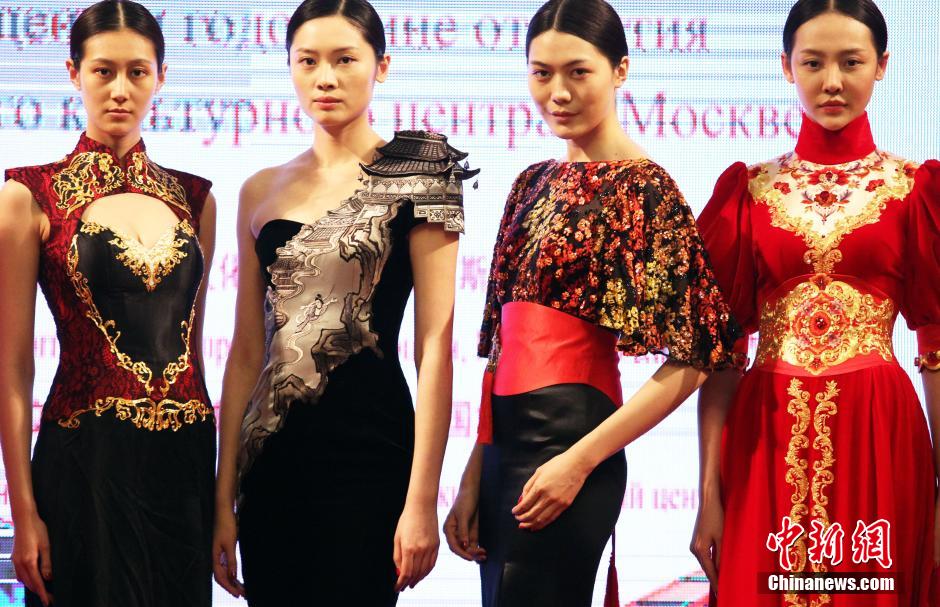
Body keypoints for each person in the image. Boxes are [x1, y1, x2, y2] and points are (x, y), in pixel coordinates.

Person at [442, 1, 740, 606]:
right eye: (541, 73)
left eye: (578, 72)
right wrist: (473, 474)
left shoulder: (645, 188)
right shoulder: (530, 183)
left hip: (574, 444)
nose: (558, 92)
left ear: (620, 70)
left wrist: (579, 462)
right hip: (503, 451)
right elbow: (502, 348)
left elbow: (699, 354)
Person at [210, 1, 474, 605]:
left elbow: (435, 346)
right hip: (272, 462)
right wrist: (223, 498)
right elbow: (246, 351)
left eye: (344, 60)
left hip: (371, 454)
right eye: (308, 61)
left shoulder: (422, 170)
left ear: (382, 66)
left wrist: (421, 500)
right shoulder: (259, 189)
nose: (325, 78)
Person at [691, 1, 940, 605]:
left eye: (851, 62)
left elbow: (937, 348)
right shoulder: (748, 190)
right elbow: (722, 356)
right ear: (787, 67)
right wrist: (709, 494)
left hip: (879, 430)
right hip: (763, 434)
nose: (832, 82)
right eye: (813, 63)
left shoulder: (914, 190)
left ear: (882, 65)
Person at [0, 2, 217, 606]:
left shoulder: (195, 199)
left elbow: (195, 349)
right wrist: (23, 511)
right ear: (74, 73)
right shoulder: (29, 195)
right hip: (84, 458)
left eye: (137, 72)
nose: (120, 89)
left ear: (161, 78)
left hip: (184, 459)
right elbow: (13, 368)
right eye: (103, 71)